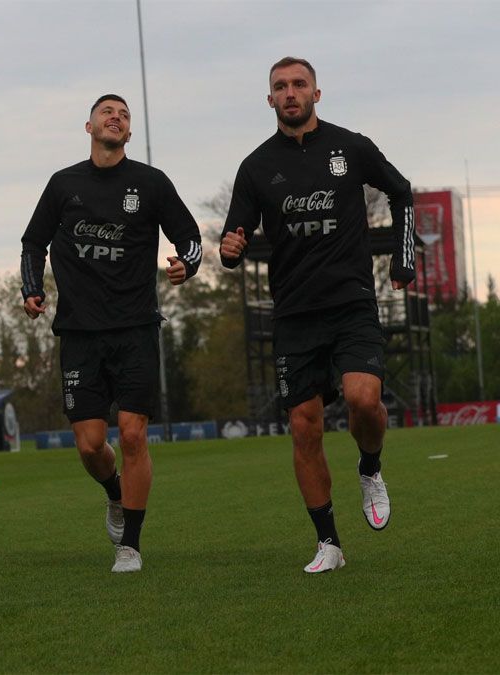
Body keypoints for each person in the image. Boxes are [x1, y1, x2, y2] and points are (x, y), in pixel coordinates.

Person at [220, 57, 414, 573]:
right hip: (295, 315)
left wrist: (404, 256)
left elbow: (402, 191)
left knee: (363, 399)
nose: (290, 93)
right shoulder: (256, 166)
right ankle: (329, 543)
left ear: (316, 93)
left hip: (351, 304)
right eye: (280, 87)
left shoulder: (350, 147)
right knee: (305, 427)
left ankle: (370, 468)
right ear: (269, 100)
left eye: (298, 84)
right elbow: (232, 241)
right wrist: (230, 247)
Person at [21, 94, 203, 573]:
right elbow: (33, 241)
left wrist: (188, 264)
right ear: (89, 126)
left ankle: (132, 546)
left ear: (128, 132)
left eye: (123, 115)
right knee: (88, 444)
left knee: (133, 434)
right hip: (80, 332)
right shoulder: (64, 185)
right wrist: (31, 287)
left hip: (136, 327)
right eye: (108, 112)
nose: (116, 117)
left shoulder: (150, 183)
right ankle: (114, 494)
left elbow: (190, 237)